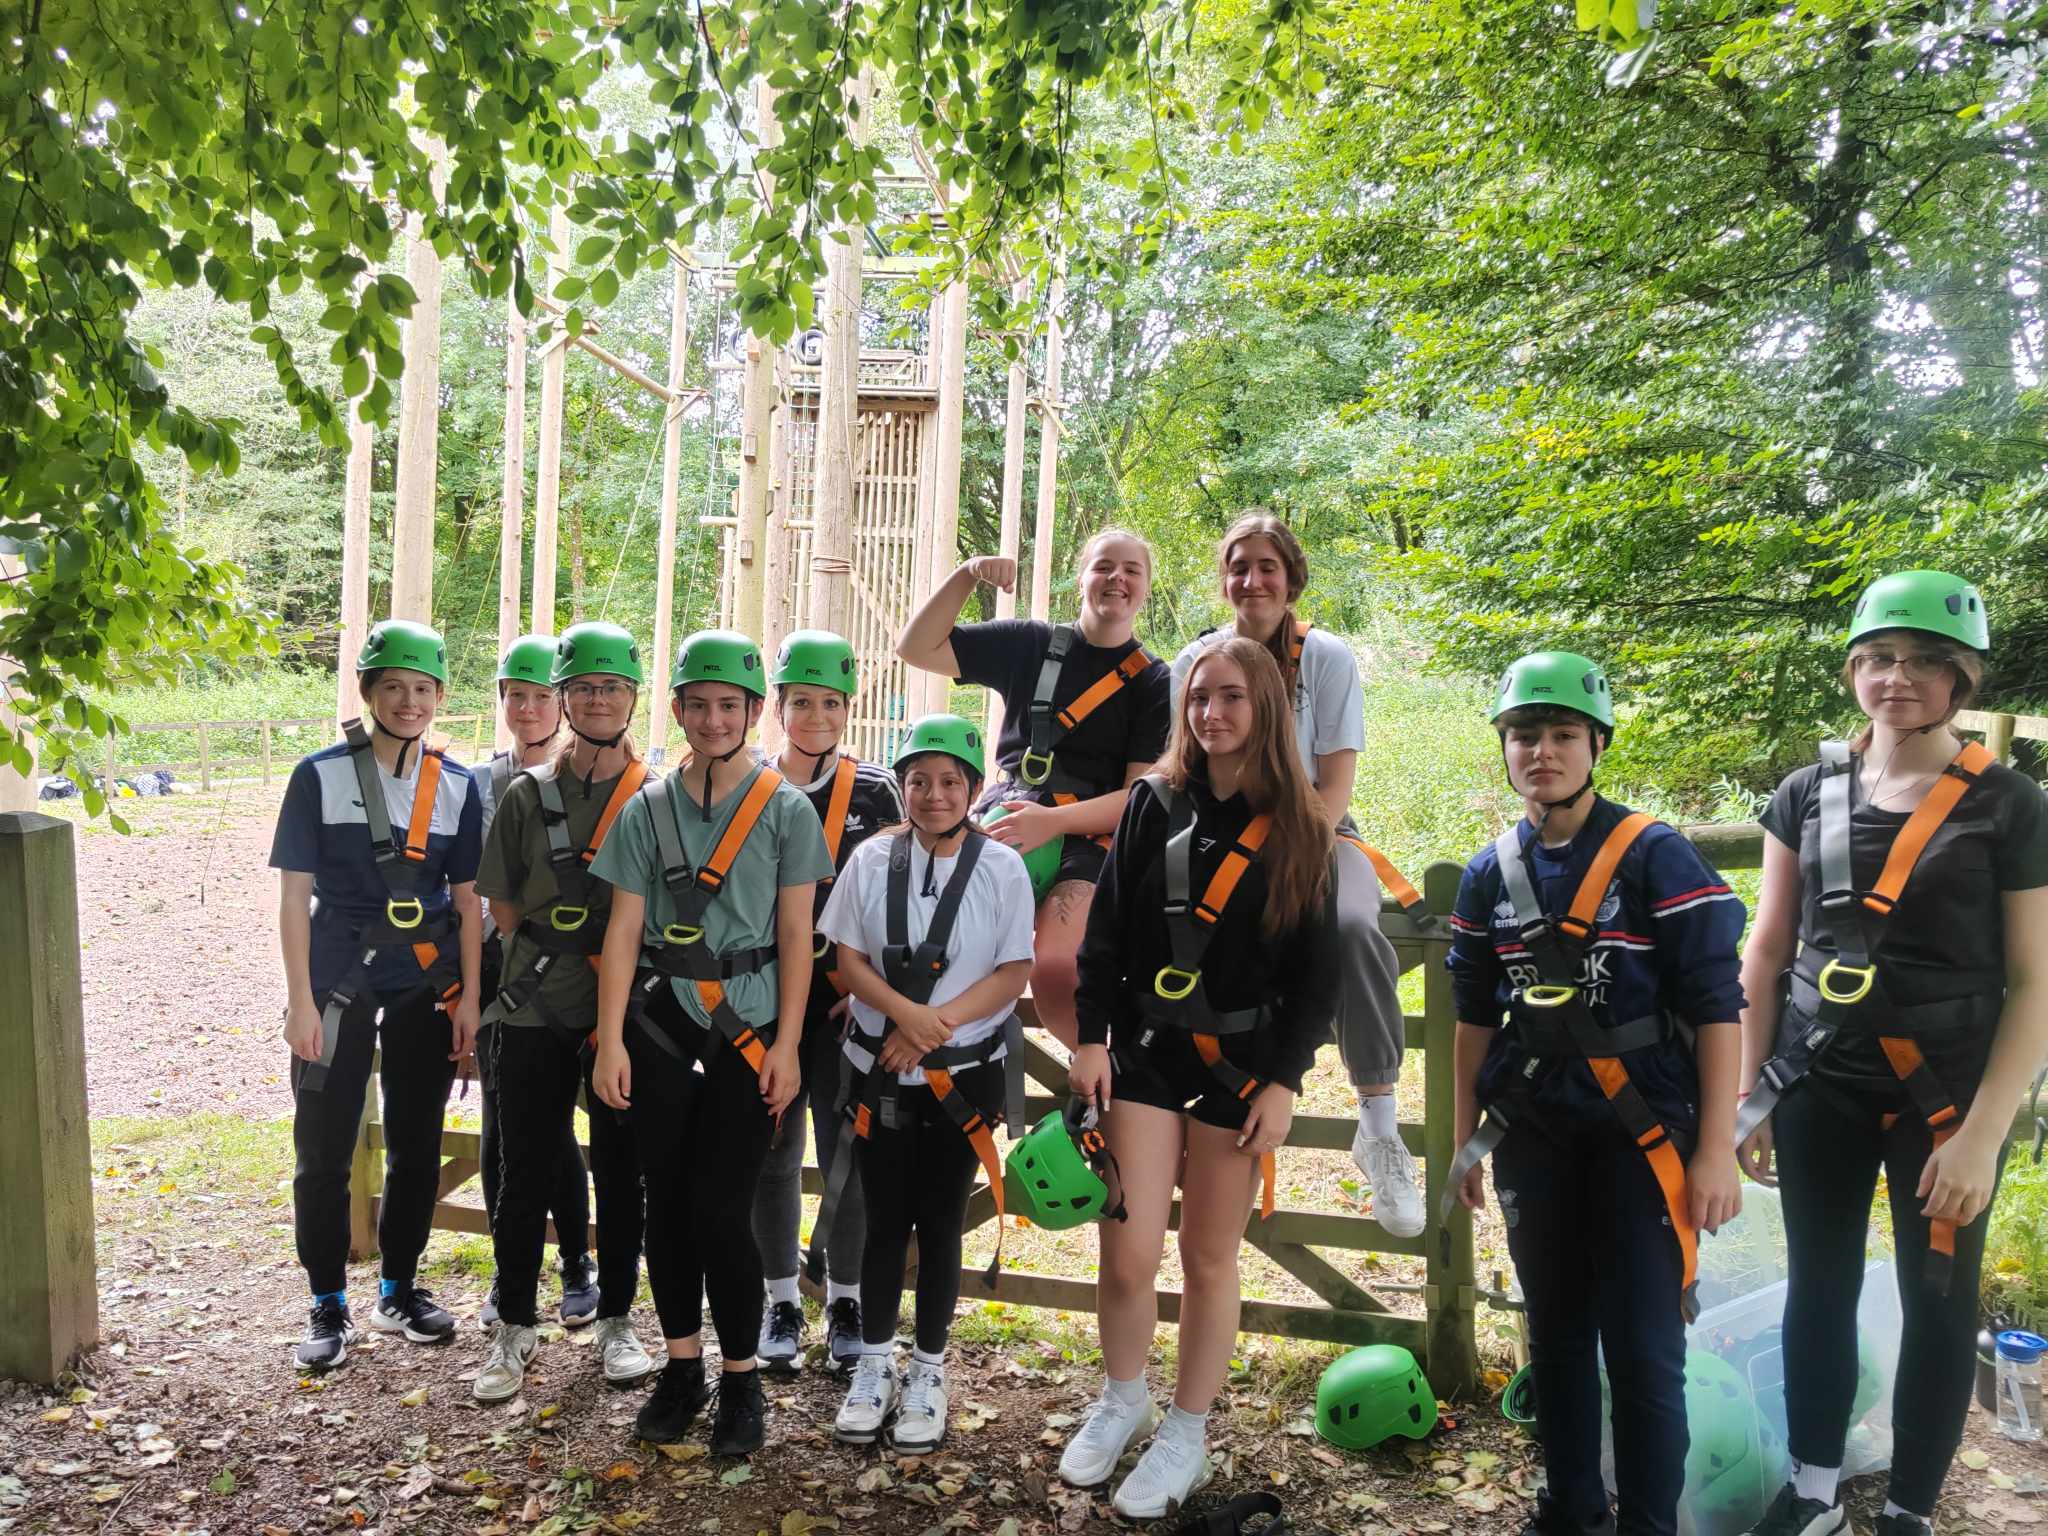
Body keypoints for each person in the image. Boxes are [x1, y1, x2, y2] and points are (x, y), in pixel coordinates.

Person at [1734, 572, 2048, 1536]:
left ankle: (1911, 1504)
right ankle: (1816, 1487)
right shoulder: (1808, 792)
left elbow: (2036, 982)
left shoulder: (2010, 805)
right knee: (1817, 1289)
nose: (1895, 678)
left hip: (1947, 1100)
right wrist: (1750, 1095)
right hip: (1818, 1082)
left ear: (1961, 680)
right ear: (1853, 672)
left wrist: (1983, 1133)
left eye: (1922, 662)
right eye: (1876, 659)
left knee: (1938, 1299)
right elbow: (1769, 946)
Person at [1445, 651, 1745, 1536]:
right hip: (1533, 1134)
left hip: (1640, 1138)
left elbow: (1717, 1006)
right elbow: (1471, 1020)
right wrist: (1466, 1142)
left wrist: (1716, 1147)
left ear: (1597, 744)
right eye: (1524, 736)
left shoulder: (1656, 857)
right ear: (1505, 748)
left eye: (1563, 735)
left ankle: (1651, 1524)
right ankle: (1570, 1509)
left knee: (1648, 1353)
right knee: (1559, 1335)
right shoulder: (1487, 874)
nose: (1543, 751)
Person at [1062, 639, 1339, 1519]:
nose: (1211, 714)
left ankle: (1187, 1430)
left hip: (1240, 1069)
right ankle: (1122, 1396)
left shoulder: (1301, 826)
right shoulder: (1154, 802)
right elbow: (1103, 931)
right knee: (1129, 1248)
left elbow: (1317, 974)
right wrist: (1092, 1038)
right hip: (1145, 1055)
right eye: (1198, 699)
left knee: (1210, 1257)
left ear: (1265, 708)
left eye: (1230, 698)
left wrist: (1284, 1081)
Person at [589, 630, 833, 1455]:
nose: (714, 717)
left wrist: (790, 1045)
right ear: (679, 710)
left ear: (754, 712)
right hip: (659, 1028)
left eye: (730, 705)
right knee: (667, 1207)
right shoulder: (645, 810)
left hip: (750, 1028)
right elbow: (624, 933)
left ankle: (739, 1377)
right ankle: (681, 1366)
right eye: (699, 704)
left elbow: (798, 936)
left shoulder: (786, 812)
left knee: (722, 1210)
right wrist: (610, 1041)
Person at [1170, 512, 1421, 1237]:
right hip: (1216, 831)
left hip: (1315, 828)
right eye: (1239, 566)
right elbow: (1181, 769)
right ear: (1224, 581)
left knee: (1348, 926)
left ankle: (1377, 1124)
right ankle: (1171, 1091)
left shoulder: (1328, 658)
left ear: (1292, 577)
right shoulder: (1196, 662)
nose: (1253, 579)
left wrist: (1279, 847)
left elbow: (1335, 786)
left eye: (1267, 565)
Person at [271, 619, 482, 1371]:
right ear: (366, 691)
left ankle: (399, 1287)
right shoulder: (319, 774)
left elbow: (467, 904)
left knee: (417, 1139)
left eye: (422, 688)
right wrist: (300, 1001)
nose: (408, 701)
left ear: (440, 697)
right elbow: (295, 898)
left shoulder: (457, 786)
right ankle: (327, 1300)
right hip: (337, 977)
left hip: (426, 980)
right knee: (323, 1147)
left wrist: (469, 1000)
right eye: (392, 686)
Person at [822, 714, 1036, 1453]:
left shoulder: (1001, 869)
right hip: (881, 1074)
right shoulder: (871, 861)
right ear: (902, 787)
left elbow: (1014, 970)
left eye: (950, 782)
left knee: (941, 1224)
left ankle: (930, 1368)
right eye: (919, 781)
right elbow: (845, 960)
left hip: (960, 1077)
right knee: (883, 1221)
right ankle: (874, 1364)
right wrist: (908, 1017)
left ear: (973, 788)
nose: (935, 795)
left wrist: (930, 1029)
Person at [469, 623, 658, 1403]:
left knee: (620, 1171)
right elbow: (503, 907)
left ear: (632, 698)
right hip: (531, 1005)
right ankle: (515, 1323)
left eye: (611, 687)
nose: (597, 700)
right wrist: (555, 958)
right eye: (583, 688)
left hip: (619, 1011)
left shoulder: (656, 796)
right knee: (523, 1170)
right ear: (564, 698)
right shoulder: (527, 794)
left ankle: (616, 1317)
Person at [895, 528, 1170, 1050]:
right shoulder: (1031, 645)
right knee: (935, 939)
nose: (1118, 578)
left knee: (1058, 967)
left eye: (1132, 570)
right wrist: (967, 573)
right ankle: (945, 1064)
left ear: (1146, 588)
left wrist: (1052, 822)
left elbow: (1137, 797)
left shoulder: (1155, 683)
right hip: (1008, 817)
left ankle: (1098, 1087)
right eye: (1104, 566)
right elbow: (916, 646)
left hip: (1090, 838)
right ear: (1082, 579)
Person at [749, 630, 903, 1375]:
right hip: (766, 1005)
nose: (815, 715)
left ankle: (844, 1297)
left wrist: (871, 983)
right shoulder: (748, 783)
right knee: (773, 1153)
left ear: (849, 709)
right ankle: (779, 1298)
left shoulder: (875, 791)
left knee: (847, 1156)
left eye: (830, 703)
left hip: (845, 1003)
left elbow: (900, 893)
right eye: (801, 701)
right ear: (777, 706)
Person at [475, 633, 596, 1332]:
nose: (526, 708)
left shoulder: (602, 781)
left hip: (591, 975)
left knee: (571, 1138)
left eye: (540, 695)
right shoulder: (485, 782)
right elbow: (482, 896)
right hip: (512, 973)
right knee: (512, 1136)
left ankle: (579, 1262)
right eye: (515, 695)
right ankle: (511, 1275)